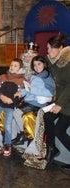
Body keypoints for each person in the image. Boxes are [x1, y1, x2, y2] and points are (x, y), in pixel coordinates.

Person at [12, 55, 55, 146]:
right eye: (35, 65)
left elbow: (50, 92)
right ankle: (23, 133)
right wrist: (20, 93)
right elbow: (28, 88)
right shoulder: (34, 76)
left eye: (39, 64)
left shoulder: (47, 76)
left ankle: (24, 135)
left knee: (18, 113)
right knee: (15, 111)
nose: (37, 67)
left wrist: (33, 90)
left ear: (44, 64)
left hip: (37, 103)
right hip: (29, 101)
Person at [44, 36, 70, 171]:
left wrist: (59, 104)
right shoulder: (52, 61)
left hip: (68, 101)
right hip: (61, 99)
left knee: (60, 130)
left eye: (51, 48)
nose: (48, 51)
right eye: (48, 48)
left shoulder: (68, 61)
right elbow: (39, 67)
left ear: (60, 48)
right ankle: (51, 148)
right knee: (47, 116)